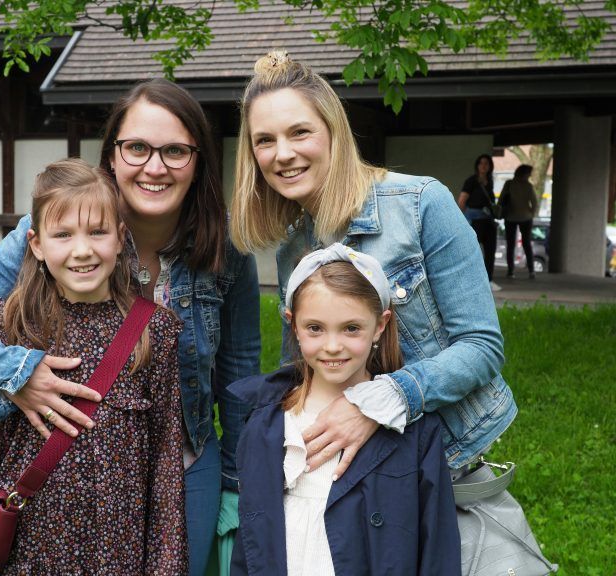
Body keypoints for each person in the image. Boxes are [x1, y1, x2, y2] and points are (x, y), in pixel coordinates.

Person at [0, 79, 261, 576]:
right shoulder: (50, 231)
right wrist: (18, 372)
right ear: (112, 155)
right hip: (57, 487)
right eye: (137, 148)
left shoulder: (226, 251)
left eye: (175, 150)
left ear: (198, 162)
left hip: (184, 470)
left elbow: (239, 378)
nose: (155, 167)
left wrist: (238, 483)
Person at [230, 51, 516, 482]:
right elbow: (311, 364)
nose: (282, 154)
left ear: (333, 133)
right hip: (351, 477)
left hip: (442, 463)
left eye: (300, 132)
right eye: (264, 140)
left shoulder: (422, 205)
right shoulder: (294, 251)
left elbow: (481, 347)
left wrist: (382, 400)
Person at [0, 158, 187, 574]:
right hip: (32, 550)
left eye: (97, 232)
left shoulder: (155, 330)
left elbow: (164, 462)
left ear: (120, 238)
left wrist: (165, 566)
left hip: (117, 552)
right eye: (63, 235)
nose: (83, 249)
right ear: (36, 244)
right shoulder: (15, 325)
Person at [230, 244, 460, 575]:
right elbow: (250, 545)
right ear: (292, 324)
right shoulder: (266, 424)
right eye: (315, 328)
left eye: (351, 328)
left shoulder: (416, 431)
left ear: (380, 325)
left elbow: (438, 548)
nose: (333, 345)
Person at [458, 153, 501, 290]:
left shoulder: (490, 182)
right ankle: (472, 280)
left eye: (487, 163)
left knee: (490, 250)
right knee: (473, 252)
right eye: (481, 163)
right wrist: (463, 221)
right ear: (477, 166)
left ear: (490, 166)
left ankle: (489, 280)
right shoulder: (471, 181)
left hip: (488, 220)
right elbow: (462, 201)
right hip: (475, 220)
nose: (484, 166)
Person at [498, 164, 539, 279]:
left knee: (510, 245)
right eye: (529, 173)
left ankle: (510, 271)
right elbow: (535, 203)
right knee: (527, 244)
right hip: (526, 218)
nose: (530, 175)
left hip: (510, 217)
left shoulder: (509, 184)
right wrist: (531, 213)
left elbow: (501, 200)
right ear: (525, 174)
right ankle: (531, 270)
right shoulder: (528, 186)